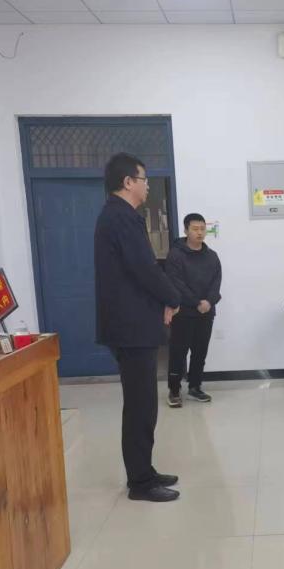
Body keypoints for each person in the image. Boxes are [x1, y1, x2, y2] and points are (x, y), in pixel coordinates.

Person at [94, 153, 183, 503]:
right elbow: (144, 269)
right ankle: (140, 482)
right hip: (131, 328)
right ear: (128, 182)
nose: (147, 186)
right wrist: (173, 297)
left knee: (142, 404)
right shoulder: (121, 217)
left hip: (131, 325)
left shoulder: (118, 215)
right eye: (144, 179)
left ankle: (144, 470)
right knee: (140, 406)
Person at [165, 213, 222, 408]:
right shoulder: (175, 255)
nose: (199, 233)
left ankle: (195, 387)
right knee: (178, 352)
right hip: (183, 313)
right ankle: (174, 390)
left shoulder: (212, 256)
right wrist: (197, 302)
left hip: (206, 312)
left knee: (200, 352)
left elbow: (216, 282)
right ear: (186, 230)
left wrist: (208, 302)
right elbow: (176, 283)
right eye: (195, 229)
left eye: (202, 229)